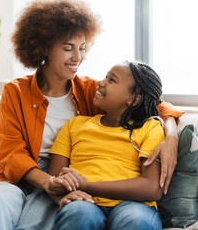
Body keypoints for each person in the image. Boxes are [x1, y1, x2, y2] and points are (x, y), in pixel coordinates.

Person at [0, 0, 183, 230]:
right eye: (68, 48)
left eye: (83, 47)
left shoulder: (90, 90)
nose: (78, 57)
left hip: (69, 175)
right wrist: (48, 181)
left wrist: (171, 135)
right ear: (44, 47)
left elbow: (151, 102)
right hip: (23, 174)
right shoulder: (15, 91)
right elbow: (10, 152)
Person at [48, 61, 166, 230]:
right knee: (78, 215)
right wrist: (63, 188)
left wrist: (86, 185)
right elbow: (53, 179)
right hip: (83, 202)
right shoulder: (75, 125)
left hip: (133, 205)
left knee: (137, 221)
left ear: (133, 99)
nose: (100, 82)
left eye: (112, 80)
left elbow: (152, 188)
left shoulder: (149, 128)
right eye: (105, 76)